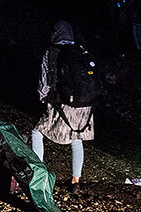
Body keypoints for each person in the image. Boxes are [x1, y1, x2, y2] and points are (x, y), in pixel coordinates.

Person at [31, 21, 95, 187]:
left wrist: (44, 99)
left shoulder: (51, 52)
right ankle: (76, 180)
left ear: (55, 33)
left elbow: (45, 81)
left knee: (37, 132)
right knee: (76, 138)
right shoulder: (81, 50)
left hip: (62, 103)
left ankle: (38, 171)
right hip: (84, 105)